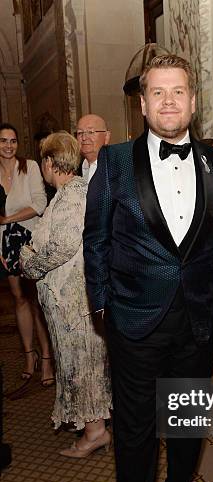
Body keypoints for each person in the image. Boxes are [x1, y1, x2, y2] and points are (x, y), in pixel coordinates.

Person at [83, 54, 213, 482]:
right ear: (142, 104)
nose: (169, 101)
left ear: (193, 100)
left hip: (196, 319)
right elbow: (94, 239)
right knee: (138, 436)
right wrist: (103, 306)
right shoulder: (114, 162)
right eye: (158, 93)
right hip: (134, 323)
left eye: (179, 92)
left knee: (188, 423)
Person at [19, 131, 111, 455]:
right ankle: (95, 426)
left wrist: (30, 263)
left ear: (49, 161)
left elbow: (64, 245)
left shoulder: (72, 194)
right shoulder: (67, 193)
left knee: (81, 365)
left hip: (72, 300)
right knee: (81, 363)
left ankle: (95, 431)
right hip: (69, 299)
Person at [0, 122, 54, 386]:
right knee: (19, 298)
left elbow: (40, 204)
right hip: (6, 243)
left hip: (31, 239)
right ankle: (28, 356)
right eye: (3, 141)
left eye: (12, 141)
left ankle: (46, 358)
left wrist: (7, 219)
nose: (8, 146)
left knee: (36, 300)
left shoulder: (29, 166)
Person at [75, 114, 111, 183]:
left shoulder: (116, 169)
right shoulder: (73, 170)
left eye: (90, 132)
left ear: (106, 137)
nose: (84, 138)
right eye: (80, 133)